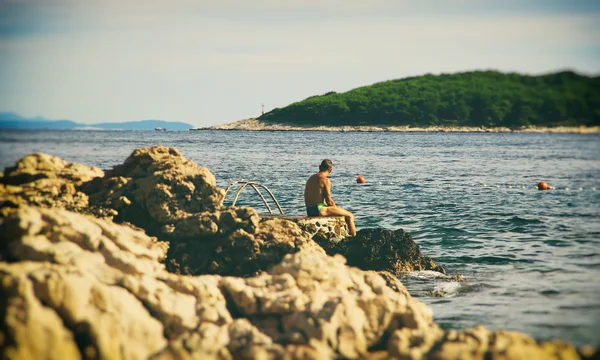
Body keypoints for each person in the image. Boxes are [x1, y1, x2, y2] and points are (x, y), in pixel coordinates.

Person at [304, 159, 356, 236]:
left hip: (309, 210)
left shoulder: (311, 178)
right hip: (319, 210)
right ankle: (354, 239)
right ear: (330, 170)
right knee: (350, 216)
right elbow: (329, 201)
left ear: (319, 167)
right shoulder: (325, 180)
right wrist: (337, 208)